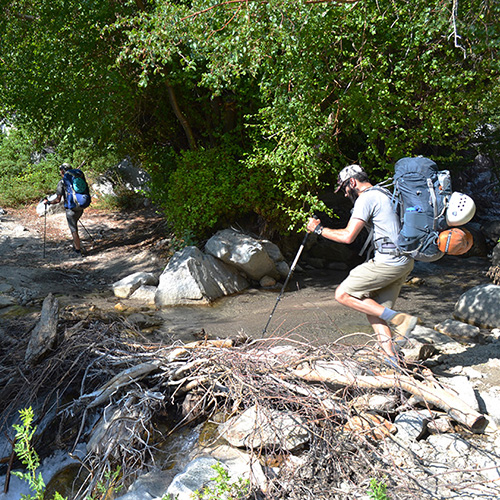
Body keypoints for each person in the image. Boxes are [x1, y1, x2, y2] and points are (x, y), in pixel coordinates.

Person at [307, 164, 419, 367]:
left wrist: (318, 230)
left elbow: (348, 237)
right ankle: (392, 359)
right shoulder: (384, 192)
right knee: (373, 307)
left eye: (344, 189)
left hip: (388, 262)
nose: (345, 194)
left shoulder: (366, 198)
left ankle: (401, 319)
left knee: (342, 294)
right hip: (405, 261)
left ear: (352, 182)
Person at [45, 163, 84, 255]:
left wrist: (48, 202)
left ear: (62, 171)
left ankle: (77, 250)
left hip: (71, 209)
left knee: (73, 229)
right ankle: (76, 244)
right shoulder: (77, 178)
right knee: (75, 224)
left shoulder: (62, 182)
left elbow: (58, 200)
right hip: (81, 206)